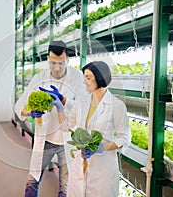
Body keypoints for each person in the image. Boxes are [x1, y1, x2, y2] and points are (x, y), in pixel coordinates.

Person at [14, 40, 88, 197]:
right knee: (32, 181)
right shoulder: (39, 77)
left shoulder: (77, 78)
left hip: (68, 140)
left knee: (66, 187)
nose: (57, 68)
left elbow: (84, 107)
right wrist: (29, 112)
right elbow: (19, 105)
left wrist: (63, 101)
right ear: (47, 59)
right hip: (45, 139)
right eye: (53, 63)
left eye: (61, 63)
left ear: (67, 60)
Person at [47, 61, 131, 197]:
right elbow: (65, 126)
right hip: (80, 165)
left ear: (100, 78)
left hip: (102, 166)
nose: (84, 82)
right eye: (84, 77)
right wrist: (60, 109)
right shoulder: (82, 102)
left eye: (88, 78)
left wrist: (101, 147)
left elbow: (125, 137)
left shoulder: (116, 105)